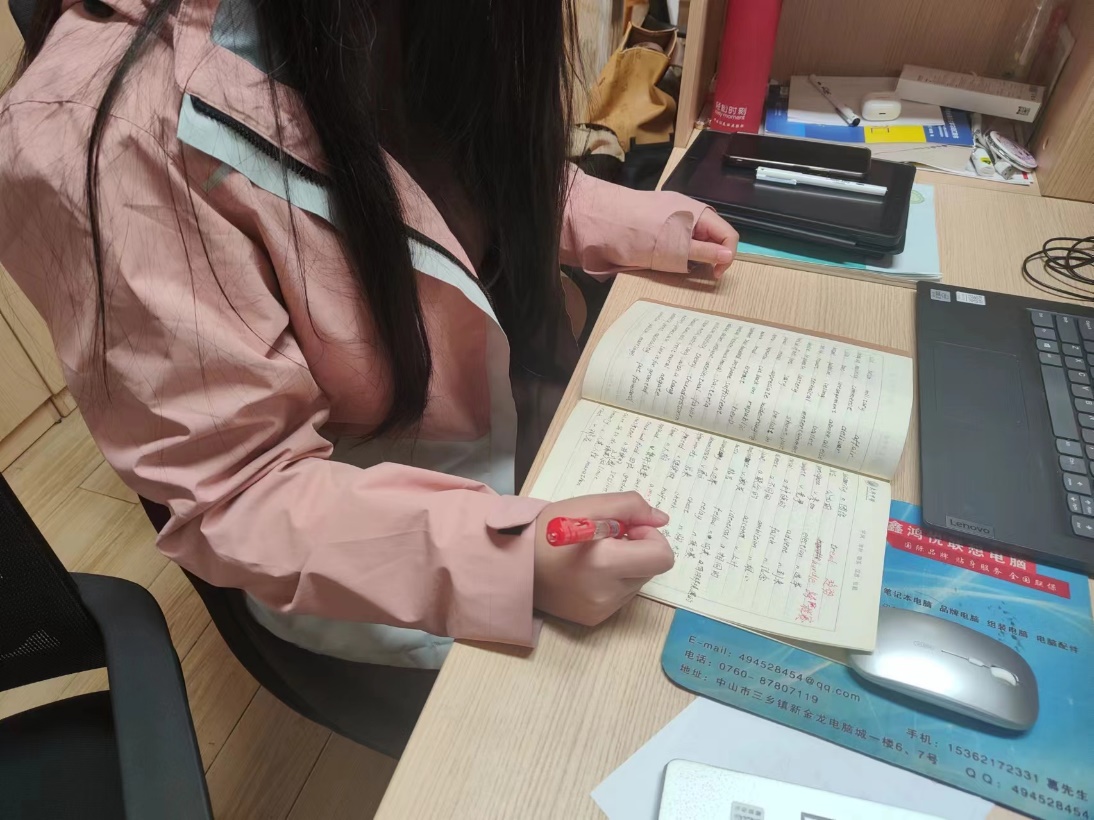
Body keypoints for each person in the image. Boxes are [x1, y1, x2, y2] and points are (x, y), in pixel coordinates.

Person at [0, 0, 738, 669]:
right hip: (357, 543)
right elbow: (240, 492)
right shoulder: (94, 130)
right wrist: (508, 560)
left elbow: (466, 166)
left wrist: (625, 220)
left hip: (489, 421)